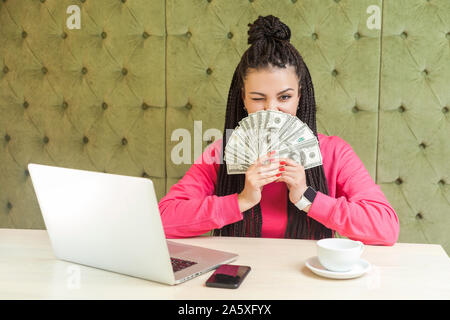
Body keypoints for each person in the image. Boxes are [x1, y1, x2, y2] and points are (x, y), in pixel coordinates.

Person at [158, 15, 399, 245]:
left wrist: (308, 197)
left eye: (284, 97)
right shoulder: (222, 153)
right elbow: (164, 218)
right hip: (242, 277)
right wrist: (241, 200)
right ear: (242, 98)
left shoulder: (334, 153)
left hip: (308, 280)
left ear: (300, 95)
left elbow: (385, 227)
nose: (271, 110)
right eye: (257, 98)